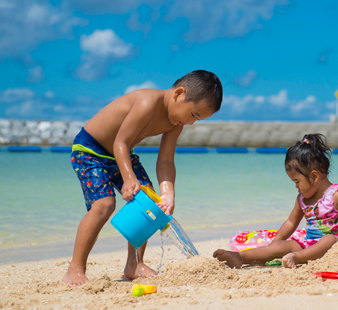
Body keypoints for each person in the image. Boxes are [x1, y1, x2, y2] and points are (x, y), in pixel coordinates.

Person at [63, 70, 223, 286]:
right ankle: (75, 268)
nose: (191, 123)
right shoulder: (148, 102)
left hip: (121, 153)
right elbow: (121, 141)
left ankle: (134, 264)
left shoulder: (176, 122)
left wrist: (168, 192)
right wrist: (129, 178)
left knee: (150, 202)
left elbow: (166, 159)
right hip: (90, 149)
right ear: (179, 94)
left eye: (198, 119)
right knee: (104, 204)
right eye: (193, 115)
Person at [213, 134, 338, 269]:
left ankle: (297, 258)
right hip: (307, 244)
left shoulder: (336, 195)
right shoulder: (302, 199)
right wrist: (276, 242)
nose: (296, 186)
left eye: (297, 181)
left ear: (314, 176)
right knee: (278, 247)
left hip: (335, 244)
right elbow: (291, 222)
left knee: (328, 239)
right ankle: (241, 257)